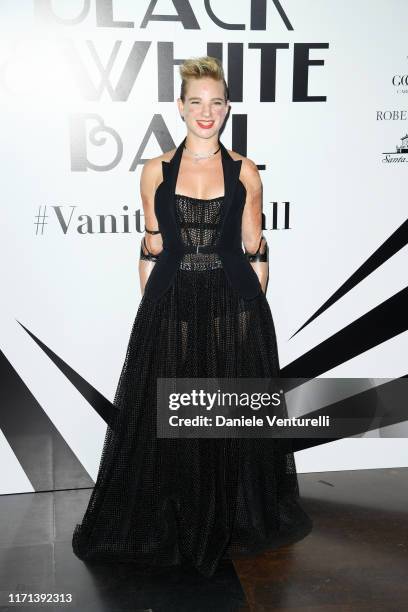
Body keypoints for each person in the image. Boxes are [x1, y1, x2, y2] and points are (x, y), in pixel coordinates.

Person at [72, 56, 313, 578]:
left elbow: (254, 243)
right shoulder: (154, 170)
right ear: (180, 108)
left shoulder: (245, 170)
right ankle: (175, 512)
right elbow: (153, 243)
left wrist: (253, 304)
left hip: (232, 303)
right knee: (170, 412)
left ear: (227, 109)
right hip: (173, 302)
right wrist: (152, 305)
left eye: (217, 103)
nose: (207, 113)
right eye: (196, 102)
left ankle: (229, 514)